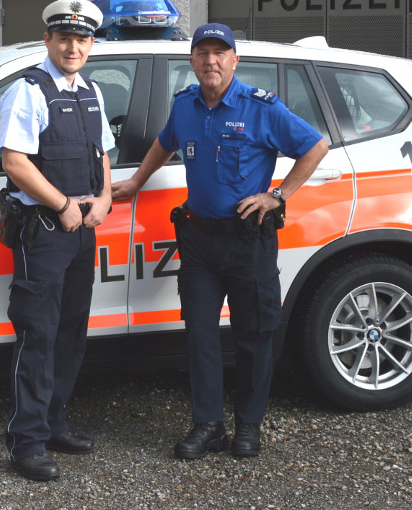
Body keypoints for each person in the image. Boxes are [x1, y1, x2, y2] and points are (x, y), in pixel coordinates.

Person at [111, 23, 328, 460]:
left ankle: (249, 426)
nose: (211, 61)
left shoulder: (260, 107)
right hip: (200, 243)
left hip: (248, 242)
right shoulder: (186, 105)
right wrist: (136, 180)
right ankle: (207, 425)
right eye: (203, 53)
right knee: (201, 336)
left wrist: (278, 194)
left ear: (234, 59)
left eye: (220, 52)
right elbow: (164, 143)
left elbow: (316, 146)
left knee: (252, 335)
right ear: (190, 62)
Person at [0, 0, 116, 481]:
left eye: (82, 39)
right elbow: (15, 162)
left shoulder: (91, 91)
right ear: (47, 40)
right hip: (44, 232)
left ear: (91, 44)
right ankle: (26, 444)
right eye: (64, 37)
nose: (73, 46)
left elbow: (102, 151)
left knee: (71, 333)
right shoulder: (29, 92)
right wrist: (64, 206)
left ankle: (53, 424)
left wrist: (104, 197)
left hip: (83, 228)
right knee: (38, 335)